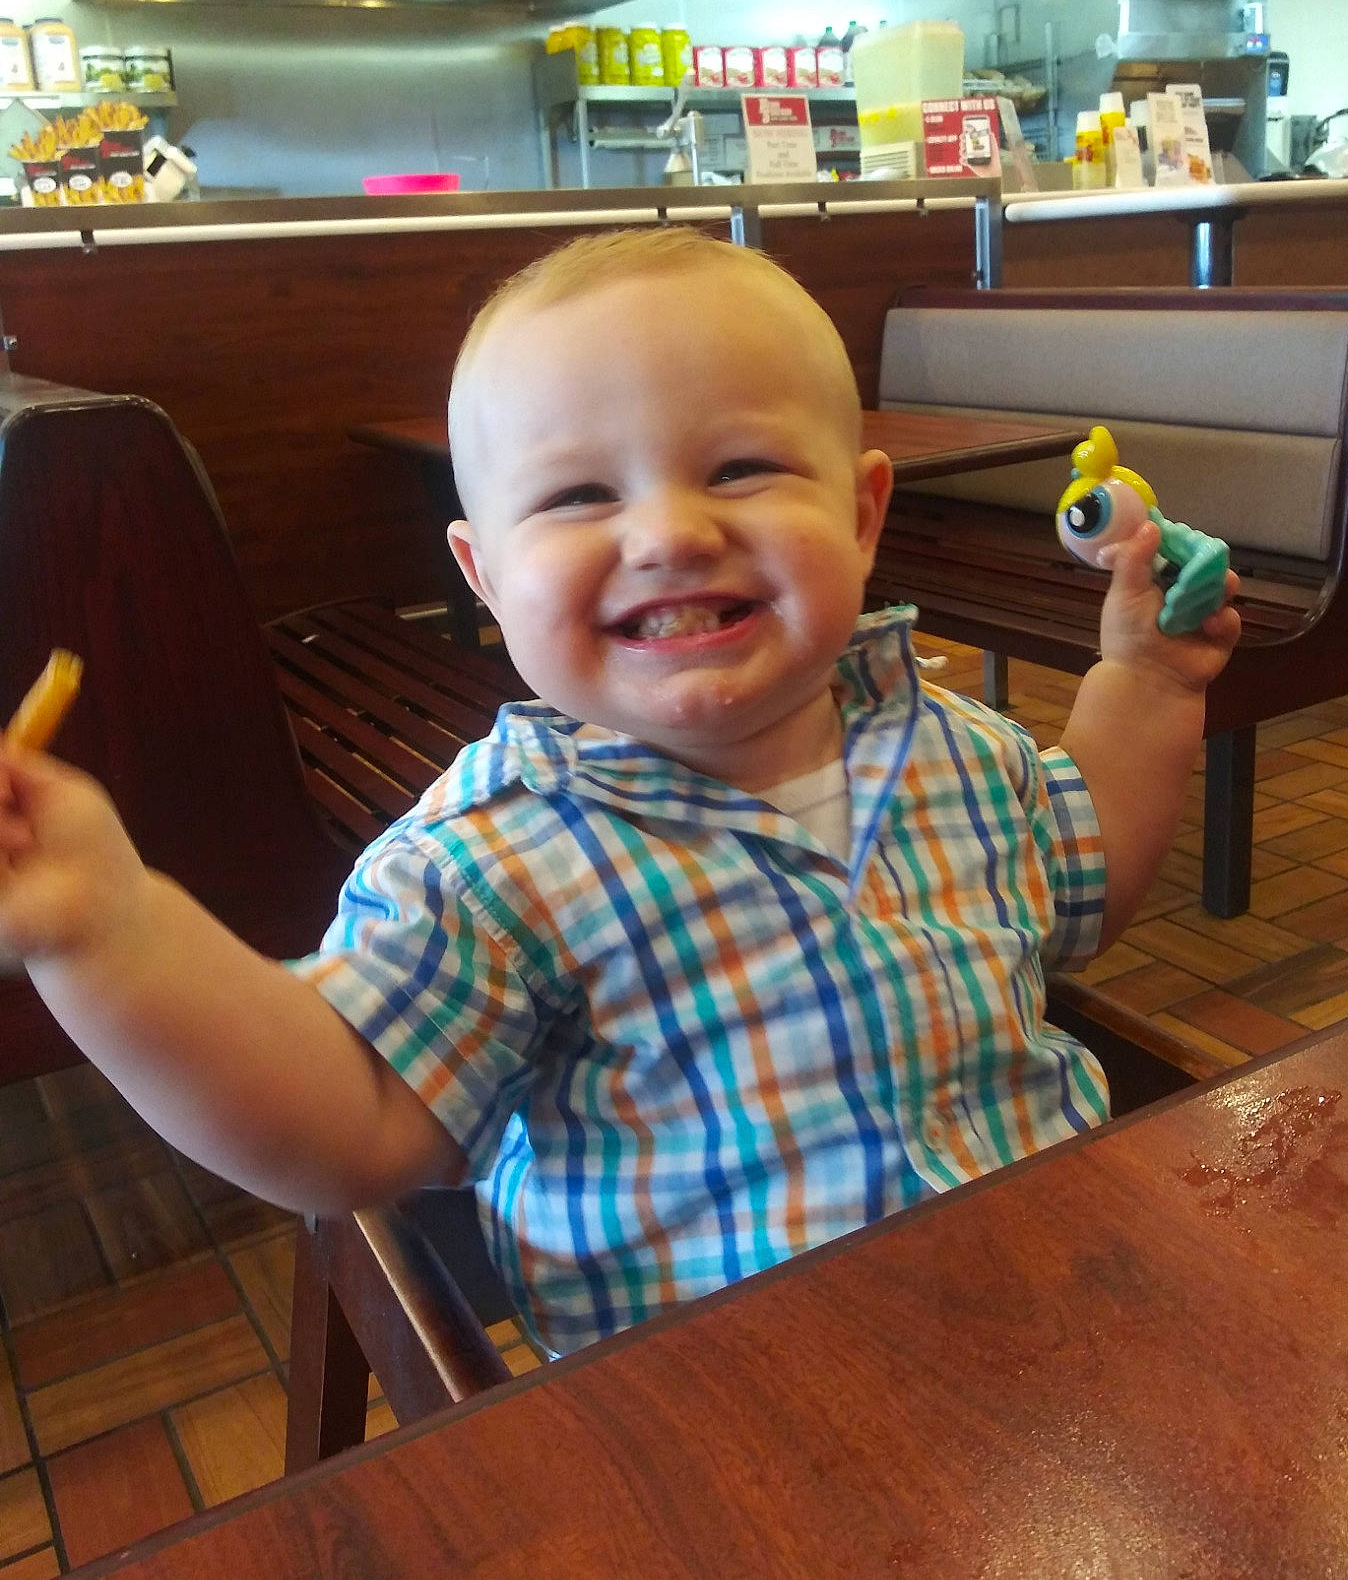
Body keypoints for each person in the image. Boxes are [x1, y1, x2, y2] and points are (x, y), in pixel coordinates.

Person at [0, 228, 1240, 1359]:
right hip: (731, 1424)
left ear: (862, 515)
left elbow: (1090, 878)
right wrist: (106, 931)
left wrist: (1147, 681)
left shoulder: (962, 749)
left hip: (1073, 1317)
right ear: (484, 575)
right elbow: (348, 1119)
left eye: (743, 466)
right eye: (581, 494)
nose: (667, 532)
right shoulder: (489, 859)